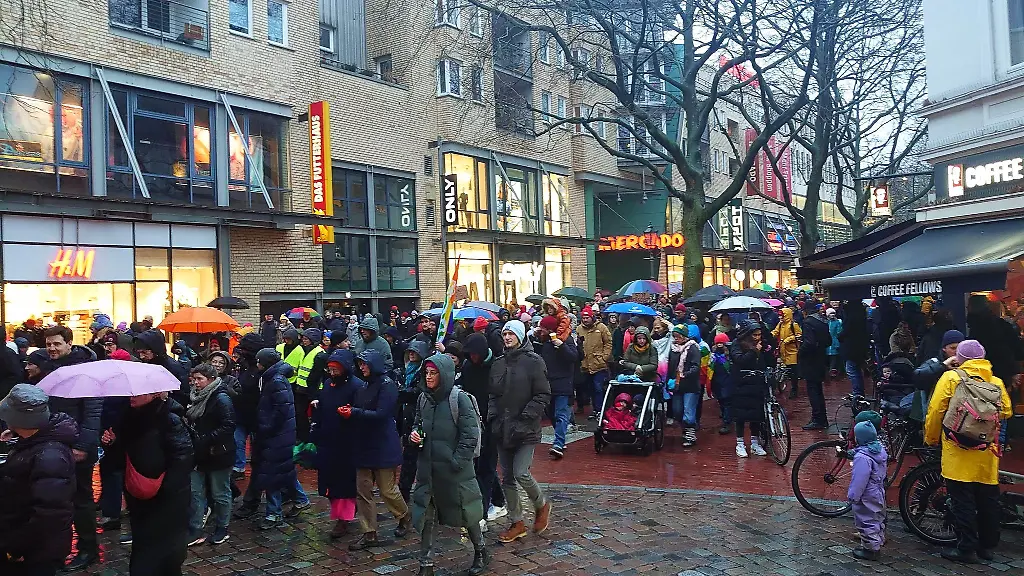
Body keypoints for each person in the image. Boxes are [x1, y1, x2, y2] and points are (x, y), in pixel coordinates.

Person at [924, 340, 1013, 564]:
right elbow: (1007, 411)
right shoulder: (996, 381)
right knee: (987, 500)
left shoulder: (951, 378)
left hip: (957, 449)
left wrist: (931, 438)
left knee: (961, 499)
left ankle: (966, 548)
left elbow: (936, 411)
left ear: (960, 358)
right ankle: (987, 547)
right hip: (986, 452)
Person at [409, 354, 488, 576]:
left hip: (455, 472)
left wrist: (456, 462)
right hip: (429, 470)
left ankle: (481, 550)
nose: (429, 377)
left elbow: (470, 435)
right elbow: (417, 424)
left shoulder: (459, 399)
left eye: (433, 373)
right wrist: (414, 435)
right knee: (427, 516)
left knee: (467, 512)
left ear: (444, 374)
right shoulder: (423, 399)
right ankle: (426, 565)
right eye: (427, 372)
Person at [101, 388, 193, 575]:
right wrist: (111, 443)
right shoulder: (128, 416)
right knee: (144, 544)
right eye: (131, 392)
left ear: (155, 394)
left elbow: (183, 458)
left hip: (167, 498)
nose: (132, 396)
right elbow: (123, 458)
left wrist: (165, 488)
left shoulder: (169, 418)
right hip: (139, 494)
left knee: (166, 549)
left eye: (138, 393)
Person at [40, 325, 101, 571]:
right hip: (53, 443)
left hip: (76, 446)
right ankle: (59, 548)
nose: (52, 348)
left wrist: (84, 446)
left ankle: (88, 549)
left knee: (81, 499)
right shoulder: (49, 367)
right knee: (56, 498)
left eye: (56, 344)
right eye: (48, 344)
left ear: (69, 343)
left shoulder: (85, 370)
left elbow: (93, 411)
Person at [0, 385, 77, 576]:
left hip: (35, 552)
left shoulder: (49, 456)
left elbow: (50, 514)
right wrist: (19, 437)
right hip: (28, 543)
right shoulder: (38, 440)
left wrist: (17, 548)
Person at [488, 320, 551, 543]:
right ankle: (517, 522)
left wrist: (527, 416)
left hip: (525, 428)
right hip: (502, 428)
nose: (506, 338)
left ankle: (541, 504)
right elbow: (493, 394)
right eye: (504, 334)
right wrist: (493, 416)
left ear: (520, 336)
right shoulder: (498, 363)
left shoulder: (534, 362)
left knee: (520, 472)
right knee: (507, 478)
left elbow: (542, 394)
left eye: (511, 334)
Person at [349, 349, 411, 550]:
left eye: (365, 364)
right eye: (360, 364)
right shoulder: (363, 386)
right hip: (363, 444)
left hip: (383, 444)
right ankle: (369, 533)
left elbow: (381, 414)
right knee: (363, 490)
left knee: (387, 489)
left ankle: (404, 515)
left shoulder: (387, 385)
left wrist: (354, 413)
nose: (362, 367)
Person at [247, 349, 310, 530]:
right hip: (279, 434)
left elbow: (281, 410)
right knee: (283, 470)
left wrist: (267, 427)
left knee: (271, 473)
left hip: (276, 435)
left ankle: (274, 514)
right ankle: (300, 499)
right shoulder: (271, 378)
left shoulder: (276, 381)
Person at [310, 349, 364, 539]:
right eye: (330, 369)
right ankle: (340, 514)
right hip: (328, 439)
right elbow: (324, 404)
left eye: (336, 370)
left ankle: (345, 519)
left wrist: (351, 413)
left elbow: (361, 413)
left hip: (347, 441)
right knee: (330, 481)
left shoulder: (357, 386)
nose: (332, 373)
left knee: (345, 482)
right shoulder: (327, 384)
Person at [184, 363, 236, 546]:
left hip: (218, 452)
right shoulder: (196, 397)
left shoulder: (221, 398)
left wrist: (206, 438)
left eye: (200, 379)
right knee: (195, 491)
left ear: (211, 379)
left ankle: (222, 527)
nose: (196, 383)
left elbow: (228, 425)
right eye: (194, 379)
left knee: (220, 492)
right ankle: (196, 528)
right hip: (199, 452)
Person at [461, 333, 507, 525]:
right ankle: (498, 500)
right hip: (475, 421)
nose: (472, 358)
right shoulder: (468, 367)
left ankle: (482, 511)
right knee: (481, 465)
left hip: (493, 421)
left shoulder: (497, 366)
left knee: (486, 466)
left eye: (474, 354)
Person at [532, 315, 578, 459]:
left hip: (563, 383)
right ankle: (561, 437)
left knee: (561, 414)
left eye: (544, 328)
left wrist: (561, 346)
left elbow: (574, 357)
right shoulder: (542, 341)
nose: (541, 330)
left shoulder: (566, 339)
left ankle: (558, 443)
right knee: (551, 413)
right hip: (547, 383)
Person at [847, 419, 888, 561]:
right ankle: (879, 540)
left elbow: (860, 480)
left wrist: (853, 496)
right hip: (878, 492)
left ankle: (871, 549)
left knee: (866, 521)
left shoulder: (862, 458)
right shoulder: (879, 451)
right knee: (877, 518)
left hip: (866, 496)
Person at [730, 321, 769, 458]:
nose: (757, 337)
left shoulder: (761, 343)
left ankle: (755, 442)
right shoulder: (737, 343)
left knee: (756, 414)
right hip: (741, 382)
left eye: (759, 334)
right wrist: (754, 351)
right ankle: (740, 443)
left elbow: (765, 360)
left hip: (756, 382)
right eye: (755, 335)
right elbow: (739, 360)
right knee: (740, 415)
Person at [398, 340, 431, 503]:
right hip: (406, 419)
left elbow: (418, 392)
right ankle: (404, 494)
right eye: (409, 351)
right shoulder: (405, 371)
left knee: (418, 461)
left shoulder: (424, 372)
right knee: (408, 460)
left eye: (415, 351)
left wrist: (401, 393)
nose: (411, 354)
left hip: (418, 419)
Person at [967, 294, 1024, 388]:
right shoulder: (1003, 325)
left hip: (980, 376)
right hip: (1004, 374)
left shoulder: (974, 329)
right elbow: (1017, 350)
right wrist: (1014, 371)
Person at [134, 329, 189, 405]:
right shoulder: (144, 365)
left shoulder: (173, 368)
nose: (141, 356)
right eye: (139, 353)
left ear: (155, 350)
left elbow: (183, 395)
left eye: (144, 352)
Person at [799, 305, 831, 430]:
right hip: (821, 358)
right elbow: (829, 341)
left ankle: (818, 419)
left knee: (813, 391)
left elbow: (809, 342)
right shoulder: (823, 321)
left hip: (810, 360)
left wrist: (800, 351)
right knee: (818, 390)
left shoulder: (807, 323)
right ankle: (822, 419)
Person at [577, 306, 612, 419]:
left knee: (598, 388)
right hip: (585, 364)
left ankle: (600, 410)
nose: (585, 319)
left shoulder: (602, 328)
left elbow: (608, 343)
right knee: (590, 388)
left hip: (599, 364)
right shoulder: (579, 329)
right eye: (584, 317)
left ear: (592, 317)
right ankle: (594, 409)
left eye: (587, 317)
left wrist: (604, 357)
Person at [668, 325, 700, 446]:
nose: (676, 339)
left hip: (690, 385)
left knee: (688, 411)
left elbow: (696, 366)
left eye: (678, 336)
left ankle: (690, 435)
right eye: (674, 336)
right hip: (676, 384)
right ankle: (685, 430)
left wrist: (685, 374)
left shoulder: (692, 348)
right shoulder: (673, 349)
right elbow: (670, 366)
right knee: (677, 410)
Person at [293, 329, 326, 445]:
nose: (303, 341)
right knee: (300, 414)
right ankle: (304, 438)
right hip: (301, 388)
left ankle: (310, 439)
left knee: (313, 417)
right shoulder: (306, 350)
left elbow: (316, 375)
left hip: (312, 390)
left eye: (306, 339)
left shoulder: (319, 354)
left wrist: (313, 394)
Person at [914, 330, 965, 397]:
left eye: (960, 348)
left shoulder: (969, 362)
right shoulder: (935, 362)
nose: (957, 352)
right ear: (944, 348)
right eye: (953, 348)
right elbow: (918, 376)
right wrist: (943, 366)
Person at [839, 301, 871, 397]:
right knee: (856, 369)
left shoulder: (851, 316)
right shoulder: (861, 313)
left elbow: (847, 330)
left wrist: (840, 336)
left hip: (851, 347)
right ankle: (858, 392)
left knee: (852, 370)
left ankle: (857, 393)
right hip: (860, 346)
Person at [772, 308, 801, 399]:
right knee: (786, 369)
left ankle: (794, 389)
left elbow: (799, 334)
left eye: (782, 315)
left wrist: (788, 339)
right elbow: (775, 332)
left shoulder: (793, 324)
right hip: (783, 350)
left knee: (793, 371)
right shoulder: (780, 324)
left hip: (792, 351)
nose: (780, 317)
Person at [708, 333, 733, 434]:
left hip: (727, 381)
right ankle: (725, 416)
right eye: (717, 343)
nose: (719, 345)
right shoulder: (713, 355)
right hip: (716, 380)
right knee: (721, 400)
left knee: (726, 400)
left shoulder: (729, 356)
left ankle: (727, 422)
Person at [827, 308, 842, 380]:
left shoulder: (837, 322)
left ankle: (832, 370)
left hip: (834, 342)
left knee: (834, 357)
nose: (832, 315)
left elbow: (839, 332)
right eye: (830, 313)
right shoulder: (826, 322)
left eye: (833, 313)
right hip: (827, 342)